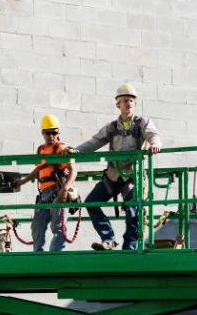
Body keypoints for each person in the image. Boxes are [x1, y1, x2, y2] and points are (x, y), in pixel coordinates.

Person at [69, 83, 161, 251]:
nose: (128, 103)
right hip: (113, 176)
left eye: (131, 100)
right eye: (124, 100)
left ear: (135, 103)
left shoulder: (143, 124)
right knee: (91, 203)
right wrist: (75, 151)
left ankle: (130, 248)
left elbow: (153, 135)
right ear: (118, 104)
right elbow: (94, 142)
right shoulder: (111, 127)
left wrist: (154, 145)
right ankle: (109, 239)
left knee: (133, 211)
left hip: (134, 176)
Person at [13, 114, 77, 252]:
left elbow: (74, 171)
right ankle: (38, 256)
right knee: (37, 226)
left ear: (58, 132)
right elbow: (40, 168)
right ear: (43, 133)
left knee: (58, 227)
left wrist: (65, 189)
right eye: (48, 133)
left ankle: (54, 257)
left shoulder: (61, 149)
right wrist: (23, 181)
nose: (51, 136)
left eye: (54, 132)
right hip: (44, 195)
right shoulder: (42, 149)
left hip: (58, 191)